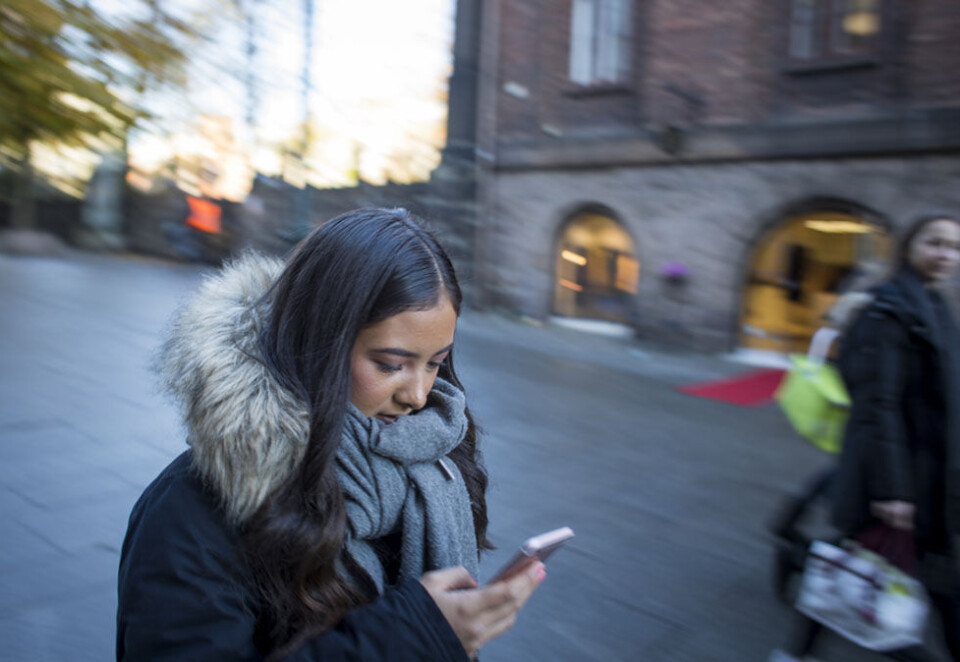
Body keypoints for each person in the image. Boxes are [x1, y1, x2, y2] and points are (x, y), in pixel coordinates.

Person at [117, 208, 546, 661]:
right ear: (320, 342)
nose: (418, 395)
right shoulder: (193, 511)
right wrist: (407, 637)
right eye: (391, 365)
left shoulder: (433, 468)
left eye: (436, 361)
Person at [770, 214, 960, 662]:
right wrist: (894, 491)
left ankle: (795, 653)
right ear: (908, 246)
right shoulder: (889, 310)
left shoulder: (935, 303)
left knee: (853, 568)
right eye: (934, 243)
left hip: (928, 473)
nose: (945, 255)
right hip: (896, 477)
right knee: (862, 569)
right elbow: (879, 406)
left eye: (954, 247)